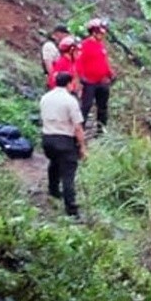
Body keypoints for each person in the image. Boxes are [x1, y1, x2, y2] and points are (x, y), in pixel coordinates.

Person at [40, 72, 87, 217]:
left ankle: (53, 190)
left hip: (47, 138)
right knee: (68, 174)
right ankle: (71, 209)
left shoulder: (45, 97)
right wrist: (82, 146)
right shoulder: (70, 101)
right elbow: (77, 127)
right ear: (69, 83)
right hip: (64, 139)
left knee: (54, 162)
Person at [77, 18, 114, 129]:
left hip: (102, 81)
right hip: (89, 82)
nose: (102, 35)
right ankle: (80, 129)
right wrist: (81, 77)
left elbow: (104, 62)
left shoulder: (100, 45)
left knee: (103, 107)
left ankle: (101, 129)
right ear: (93, 32)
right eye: (100, 33)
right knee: (86, 106)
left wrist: (110, 73)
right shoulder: (84, 45)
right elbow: (79, 62)